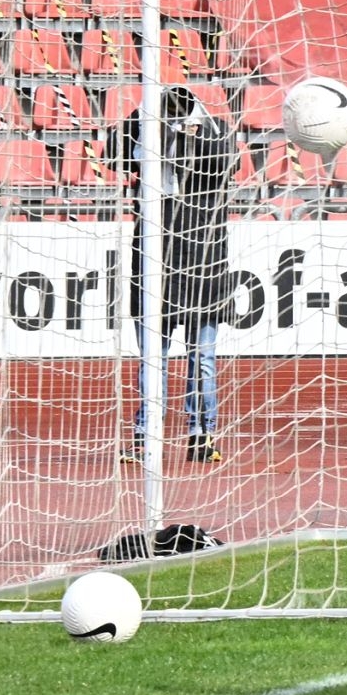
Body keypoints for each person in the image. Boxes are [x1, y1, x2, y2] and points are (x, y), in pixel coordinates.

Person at [112, 85, 237, 467]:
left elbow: (220, 164)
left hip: (204, 260)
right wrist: (146, 119)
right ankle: (145, 435)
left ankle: (202, 435)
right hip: (154, 259)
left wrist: (191, 132)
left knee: (202, 359)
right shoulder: (146, 128)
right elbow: (115, 153)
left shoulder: (215, 132)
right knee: (154, 358)